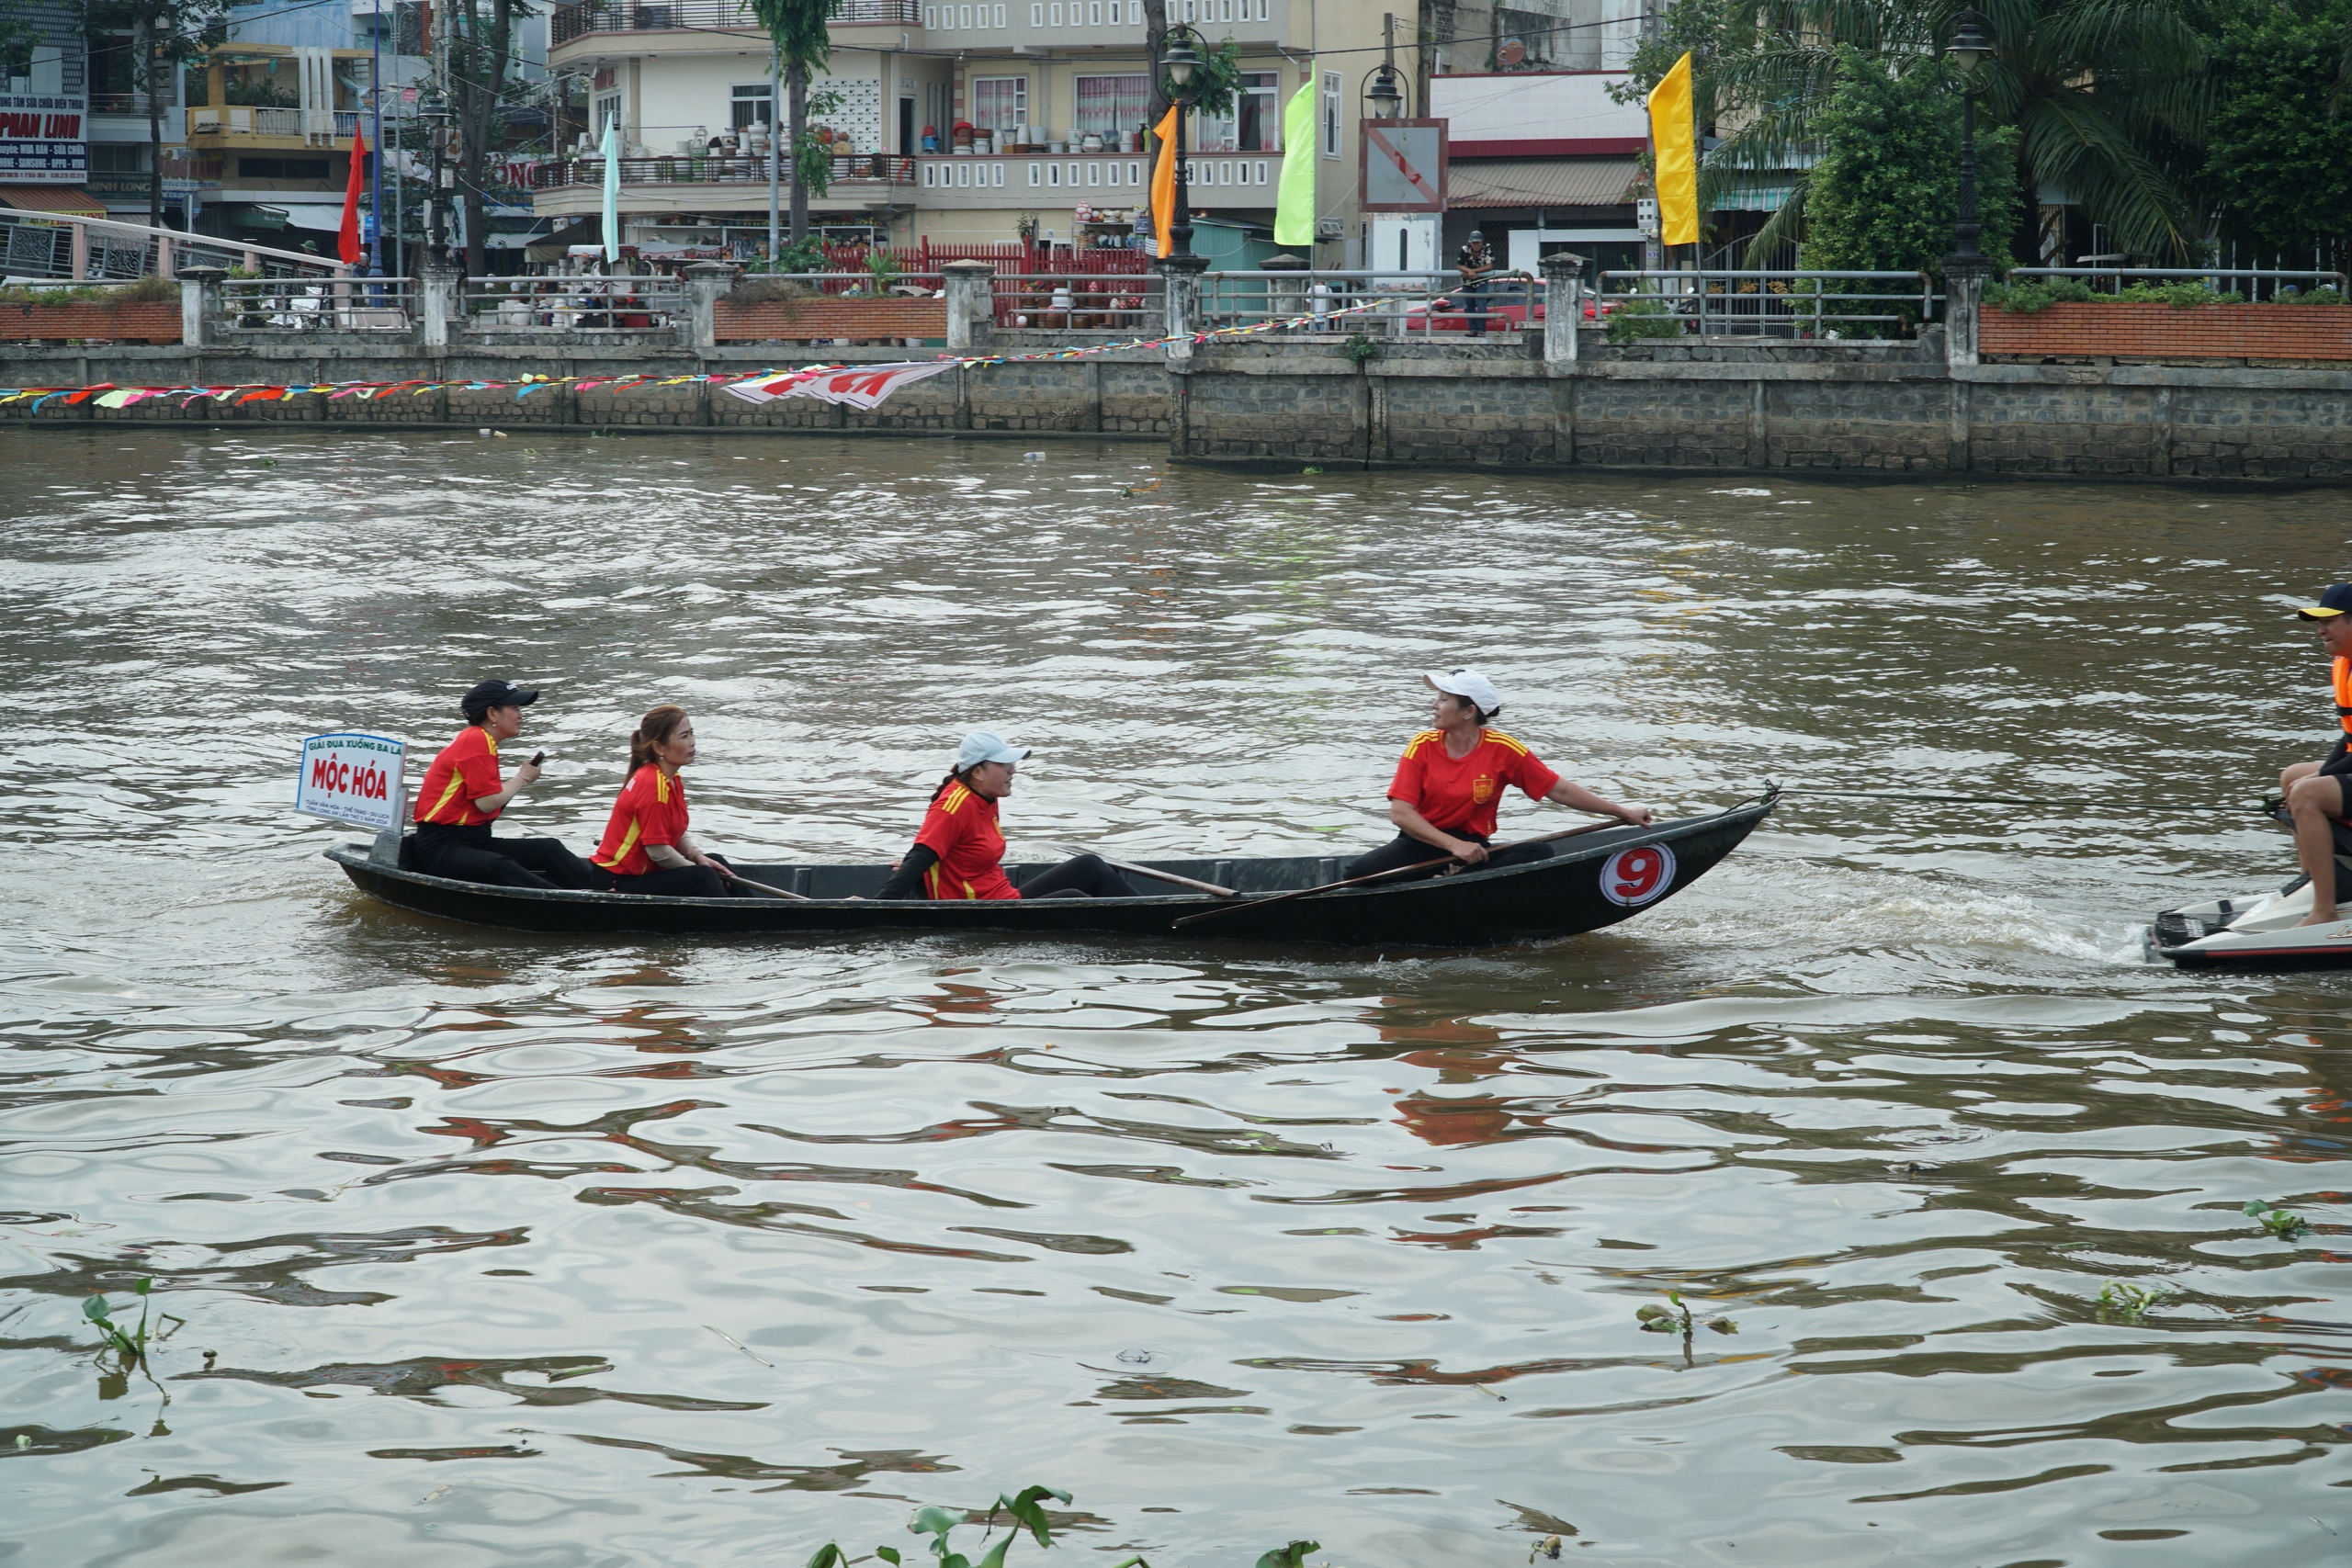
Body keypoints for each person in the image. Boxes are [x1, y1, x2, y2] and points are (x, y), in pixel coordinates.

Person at [1344, 668, 1652, 883]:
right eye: (1437, 698)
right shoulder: (1422, 745)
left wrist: (1621, 811)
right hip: (1421, 842)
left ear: (1468, 712)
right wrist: (1452, 847)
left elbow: (1559, 790)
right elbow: (1401, 813)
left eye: (1443, 699)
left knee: (1539, 852)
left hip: (1473, 848)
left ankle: (1461, 879)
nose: (1434, 706)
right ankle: (1447, 879)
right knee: (1356, 874)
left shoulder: (1504, 749)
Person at [876, 731, 1136, 900]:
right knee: (1076, 897)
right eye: (1004, 765)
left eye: (1012, 764)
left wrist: (932, 866)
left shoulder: (987, 796)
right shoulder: (953, 806)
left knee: (1089, 865)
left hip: (1004, 897)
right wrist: (876, 907)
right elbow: (921, 856)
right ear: (978, 772)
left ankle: (1144, 910)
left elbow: (950, 851)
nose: (1012, 771)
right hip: (980, 911)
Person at [410, 680, 602, 889]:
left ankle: (605, 891)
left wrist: (521, 778)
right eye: (514, 707)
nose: (520, 714)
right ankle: (573, 906)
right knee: (501, 866)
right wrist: (522, 778)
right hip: (441, 848)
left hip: (473, 841)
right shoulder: (475, 740)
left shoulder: (484, 742)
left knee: (549, 848)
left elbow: (487, 805)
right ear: (492, 714)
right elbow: (487, 802)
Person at [590, 705, 742, 897]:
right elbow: (658, 852)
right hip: (616, 880)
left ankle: (754, 911)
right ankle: (737, 922)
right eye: (684, 736)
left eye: (692, 734)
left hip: (640, 874)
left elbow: (674, 831)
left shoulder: (671, 779)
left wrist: (697, 856)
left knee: (713, 861)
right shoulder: (652, 785)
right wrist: (695, 869)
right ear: (659, 747)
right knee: (702, 875)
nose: (692, 742)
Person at [2278, 583, 2352, 925]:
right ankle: (2315, 884)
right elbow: (2350, 736)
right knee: (2293, 776)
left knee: (2307, 793)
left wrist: (2320, 777)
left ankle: (2325, 911)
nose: (2321, 629)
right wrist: (2320, 771)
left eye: (2330, 621)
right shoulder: (2344, 664)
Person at [1455, 229, 1498, 338]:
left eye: (1478, 242)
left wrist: (1473, 272)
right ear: (1470, 242)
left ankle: (1481, 330)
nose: (1476, 245)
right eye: (1474, 243)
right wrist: (1469, 271)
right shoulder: (1465, 249)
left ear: (1482, 242)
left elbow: (1490, 266)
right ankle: (1473, 329)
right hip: (1467, 282)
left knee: (1481, 305)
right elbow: (1459, 265)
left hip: (1481, 281)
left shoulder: (1487, 248)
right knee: (1468, 307)